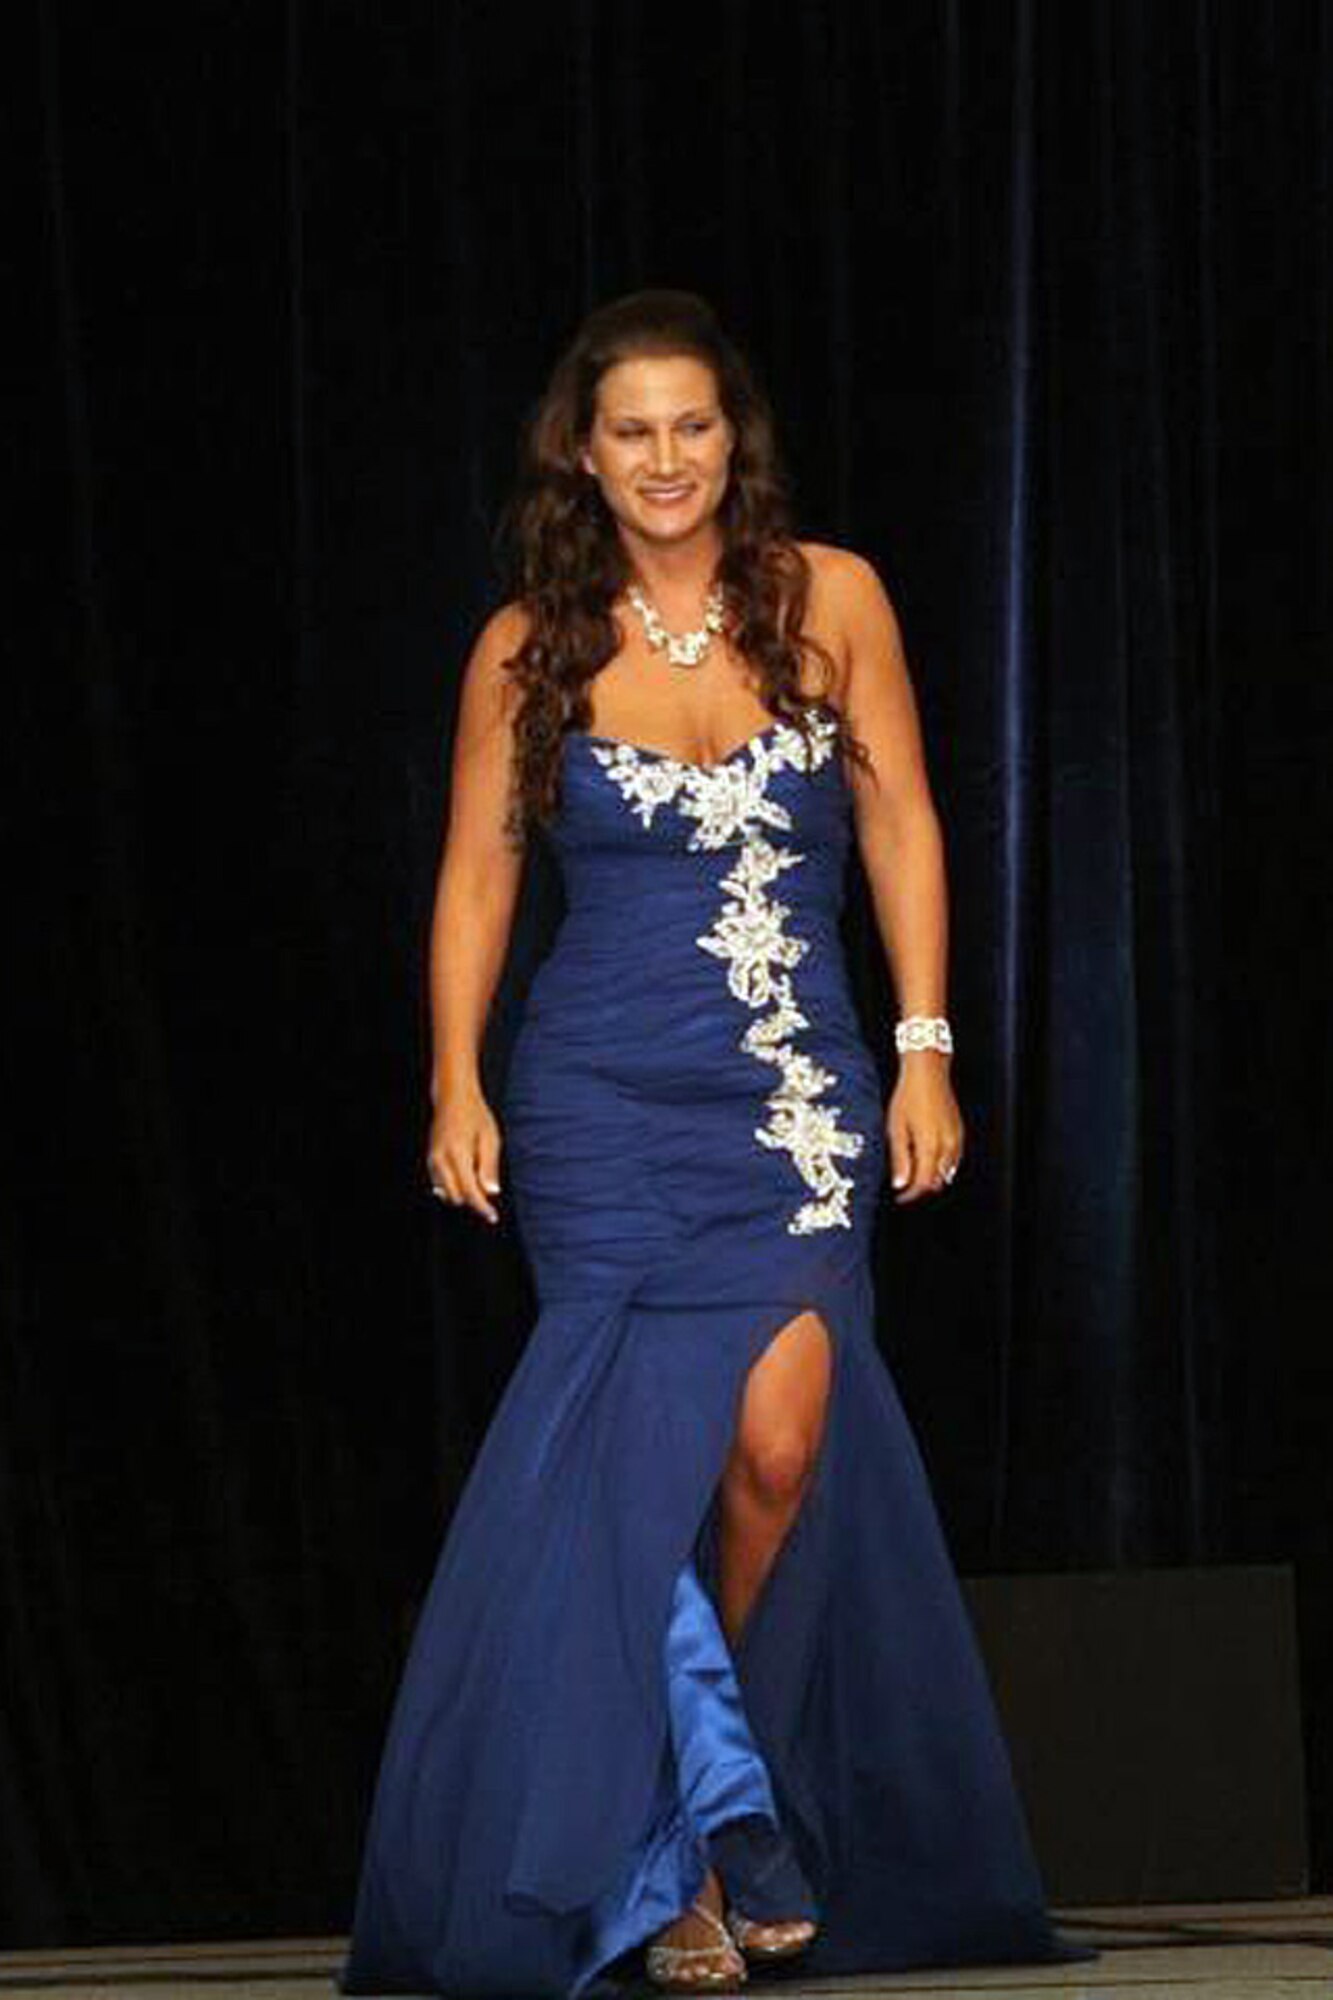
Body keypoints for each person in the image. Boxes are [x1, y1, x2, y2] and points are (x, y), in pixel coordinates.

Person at [339, 288, 1093, 1997]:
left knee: (771, 1453)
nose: (667, 458)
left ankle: (693, 1811)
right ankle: (699, 1850)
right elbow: (476, 871)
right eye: (631, 432)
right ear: (582, 457)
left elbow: (900, 815)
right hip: (599, 1099)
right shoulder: (530, 639)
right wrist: (454, 1077)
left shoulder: (830, 598)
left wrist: (925, 1045)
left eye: (693, 426)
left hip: (796, 1099)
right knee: (625, 1481)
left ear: (730, 441)